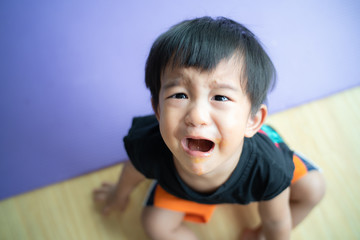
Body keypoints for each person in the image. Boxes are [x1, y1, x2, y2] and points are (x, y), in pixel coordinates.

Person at [93, 16, 326, 240]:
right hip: (182, 189)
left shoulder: (269, 169)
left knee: (314, 189)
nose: (196, 116)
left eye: (221, 98)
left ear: (252, 120)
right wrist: (119, 194)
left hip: (262, 160)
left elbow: (276, 223)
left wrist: (265, 235)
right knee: (154, 224)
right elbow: (132, 171)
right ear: (158, 110)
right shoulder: (150, 147)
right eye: (179, 95)